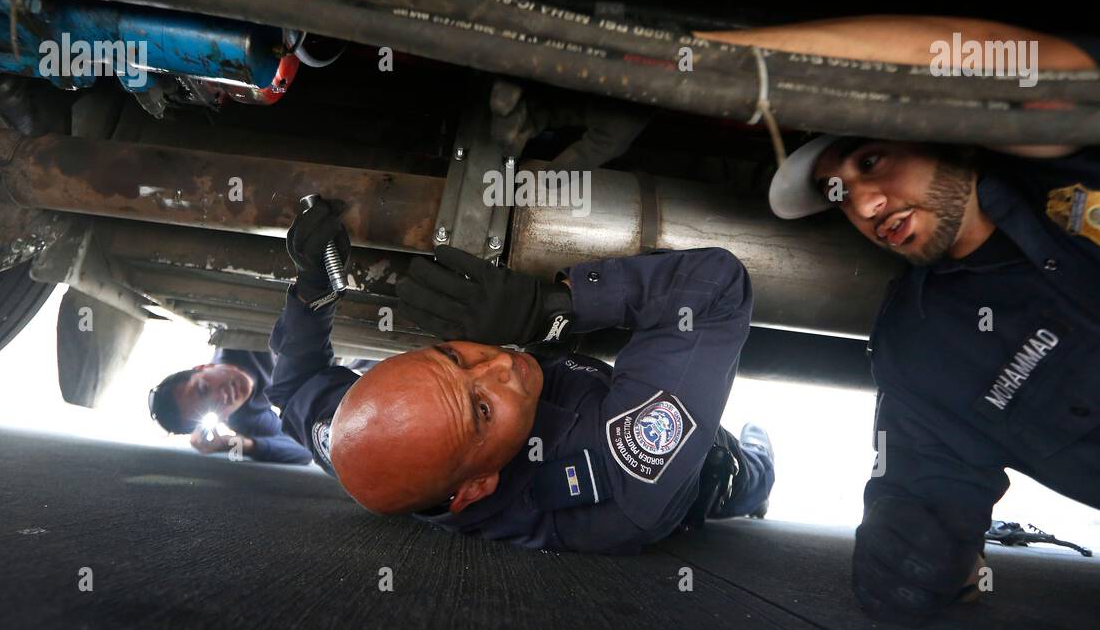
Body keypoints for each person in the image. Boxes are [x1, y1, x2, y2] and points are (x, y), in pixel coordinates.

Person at [751, 16, 1100, 623]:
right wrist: (917, 561)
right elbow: (919, 515)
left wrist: (720, 58)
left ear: (944, 132)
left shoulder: (1089, 165)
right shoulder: (923, 345)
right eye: (838, 194)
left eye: (871, 161)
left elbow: (1048, 75)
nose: (866, 205)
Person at [268, 197, 775, 553]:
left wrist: (315, 284)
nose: (500, 363)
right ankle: (759, 460)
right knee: (755, 465)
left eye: (453, 356)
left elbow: (292, 390)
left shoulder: (365, 452)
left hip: (582, 383)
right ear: (477, 487)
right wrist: (558, 308)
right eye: (482, 409)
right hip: (705, 472)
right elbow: (714, 288)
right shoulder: (620, 482)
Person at [148, 347, 314, 465]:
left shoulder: (236, 340)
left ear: (204, 367)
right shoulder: (243, 418)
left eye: (204, 389)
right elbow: (305, 451)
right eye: (210, 411)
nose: (222, 397)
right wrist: (240, 445)